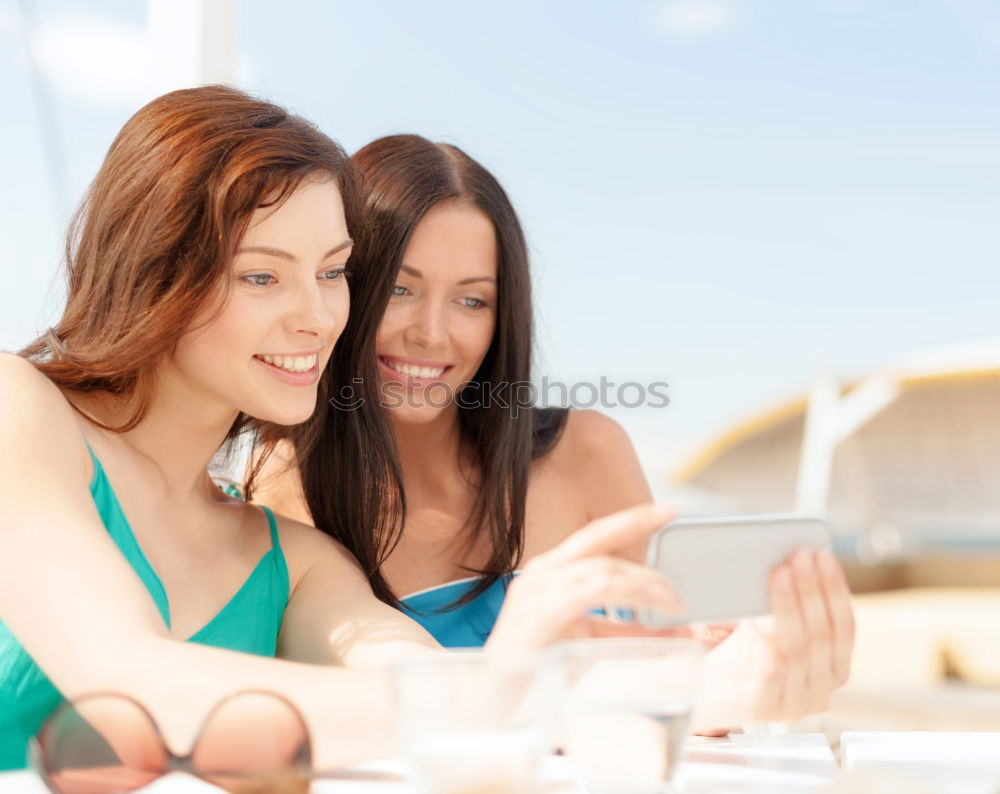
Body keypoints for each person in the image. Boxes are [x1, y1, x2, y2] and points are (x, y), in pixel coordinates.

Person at [0, 88, 685, 771]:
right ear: (154, 270)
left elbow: (416, 683)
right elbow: (133, 686)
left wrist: (725, 688)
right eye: (263, 275)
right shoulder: (18, 409)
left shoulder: (291, 559)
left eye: (332, 272)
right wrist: (493, 691)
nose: (320, 316)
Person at [255, 134, 856, 730]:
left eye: (471, 301)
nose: (432, 334)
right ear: (340, 283)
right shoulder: (278, 494)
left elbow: (674, 689)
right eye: (400, 289)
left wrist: (735, 671)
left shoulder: (587, 451)